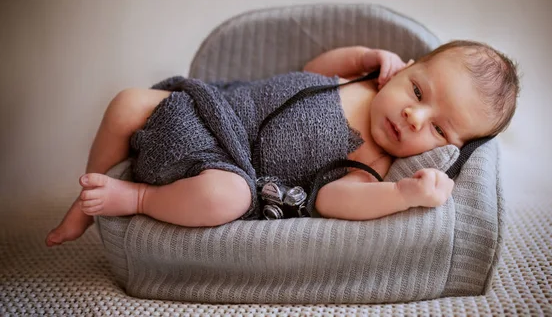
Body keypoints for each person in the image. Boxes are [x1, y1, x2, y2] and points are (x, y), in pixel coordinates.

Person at [46, 40, 519, 247]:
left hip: (225, 165)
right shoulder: (361, 79)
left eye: (438, 130)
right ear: (406, 67)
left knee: (227, 198)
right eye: (417, 91)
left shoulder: (371, 158)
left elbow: (333, 199)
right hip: (208, 109)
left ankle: (136, 198)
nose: (414, 117)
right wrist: (365, 56)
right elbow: (312, 70)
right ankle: (84, 203)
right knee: (128, 102)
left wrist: (401, 194)